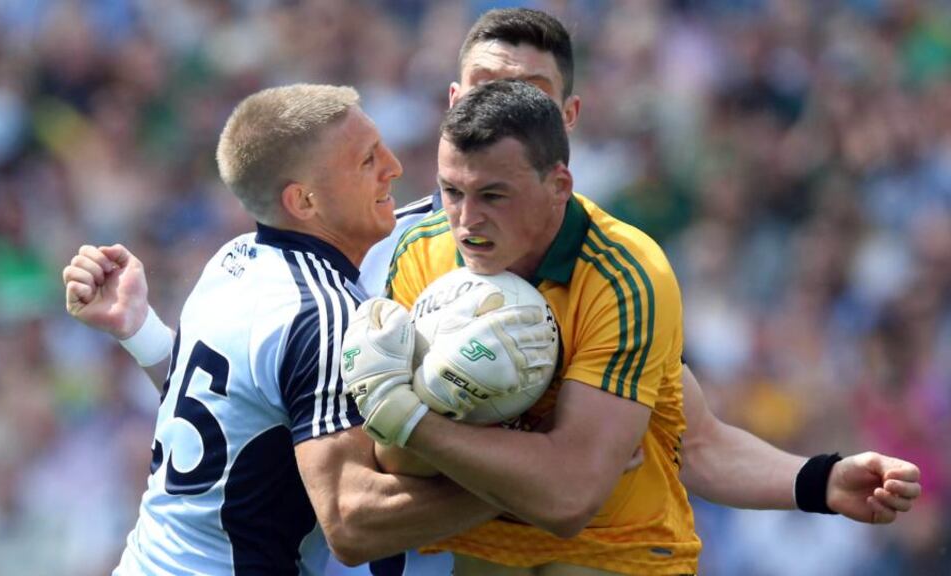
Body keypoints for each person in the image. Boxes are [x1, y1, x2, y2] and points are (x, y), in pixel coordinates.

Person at [63, 8, 921, 575]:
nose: (499, 113)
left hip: (603, 558)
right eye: (482, 93)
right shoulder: (379, 248)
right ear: (452, 106)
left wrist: (815, 481)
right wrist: (145, 337)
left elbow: (686, 438)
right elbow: (262, 408)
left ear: (565, 126)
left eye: (529, 98)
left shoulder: (620, 274)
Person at [65, 83, 530, 575]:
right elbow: (351, 525)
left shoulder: (233, 259)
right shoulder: (324, 315)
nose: (393, 166)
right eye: (366, 160)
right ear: (304, 201)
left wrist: (140, 331)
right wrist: (518, 485)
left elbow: (233, 422)